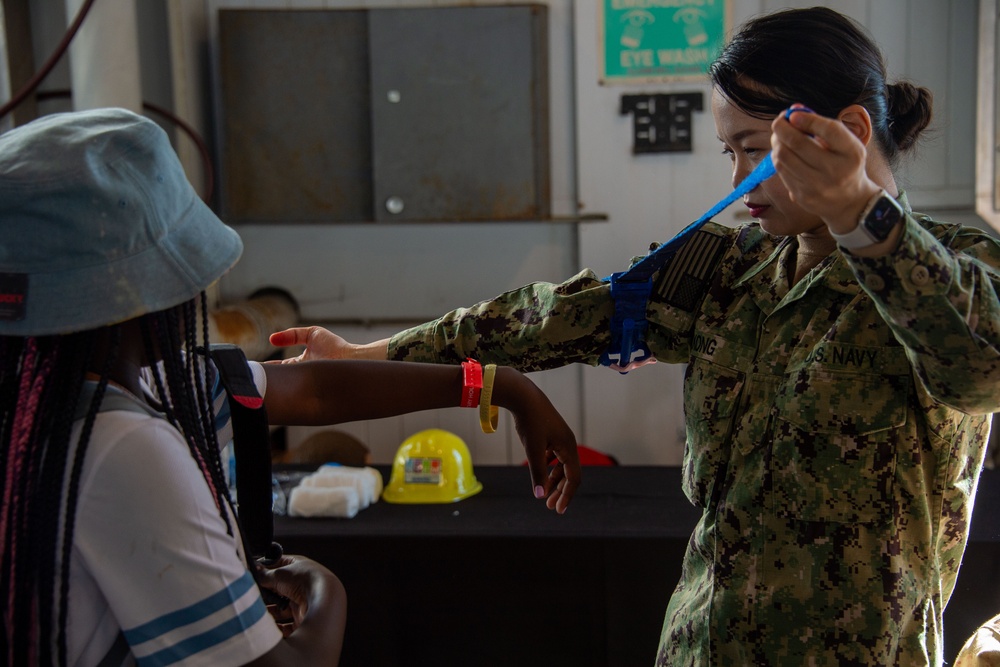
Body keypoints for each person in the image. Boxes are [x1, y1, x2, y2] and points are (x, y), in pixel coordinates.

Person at [269, 6, 1000, 665]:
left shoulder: (957, 268)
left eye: (755, 149)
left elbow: (978, 368)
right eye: (730, 153)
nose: (741, 183)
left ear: (848, 132)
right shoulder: (730, 269)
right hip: (699, 642)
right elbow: (550, 317)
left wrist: (863, 216)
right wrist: (375, 353)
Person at [0, 108, 580, 666]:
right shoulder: (123, 447)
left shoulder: (72, 403)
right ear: (140, 289)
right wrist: (321, 590)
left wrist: (500, 386)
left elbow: (315, 390)